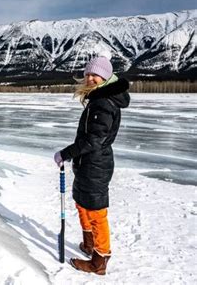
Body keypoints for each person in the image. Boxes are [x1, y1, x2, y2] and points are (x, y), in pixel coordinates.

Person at [53, 54, 130, 275]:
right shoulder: (99, 99)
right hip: (88, 163)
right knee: (82, 203)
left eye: (95, 74)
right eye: (88, 74)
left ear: (105, 77)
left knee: (96, 212)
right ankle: (89, 244)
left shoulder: (104, 103)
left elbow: (93, 139)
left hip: (96, 164)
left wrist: (66, 153)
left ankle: (99, 261)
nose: (90, 78)